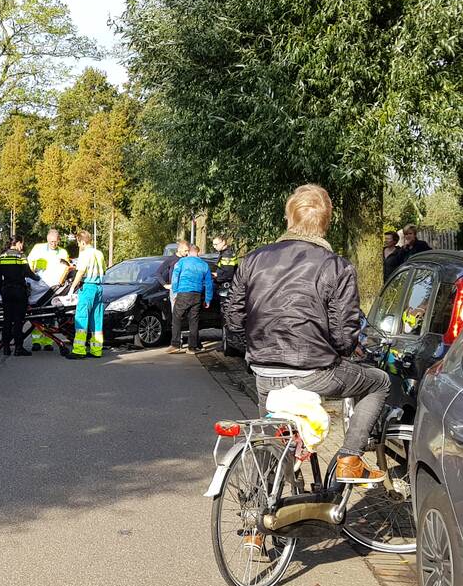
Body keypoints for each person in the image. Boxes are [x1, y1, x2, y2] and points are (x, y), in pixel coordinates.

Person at [225, 184, 390, 483]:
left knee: (269, 436)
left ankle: (256, 521)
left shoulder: (252, 260)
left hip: (264, 370)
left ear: (289, 218)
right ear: (325, 224)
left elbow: (233, 318)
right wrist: (341, 354)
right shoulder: (336, 266)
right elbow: (343, 333)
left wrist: (252, 351)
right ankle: (350, 458)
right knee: (379, 383)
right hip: (312, 371)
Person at [0, 235, 39, 357]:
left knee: (7, 320)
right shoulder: (21, 256)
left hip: (6, 291)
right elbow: (28, 272)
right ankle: (18, 348)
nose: (22, 246)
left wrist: (1, 291)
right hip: (19, 291)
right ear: (18, 243)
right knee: (18, 321)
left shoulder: (2, 256)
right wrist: (38, 278)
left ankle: (6, 348)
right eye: (22, 243)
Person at [28, 229, 71, 350]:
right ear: (47, 239)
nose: (53, 244)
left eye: (56, 242)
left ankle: (48, 342)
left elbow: (66, 268)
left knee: (50, 315)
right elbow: (30, 264)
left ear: (59, 240)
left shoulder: (62, 252)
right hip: (38, 286)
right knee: (36, 315)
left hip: (54, 289)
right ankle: (36, 341)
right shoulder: (38, 248)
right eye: (51, 241)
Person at [167, 244, 213, 354]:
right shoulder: (204, 265)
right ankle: (192, 347)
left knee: (177, 317)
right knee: (194, 320)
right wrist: (208, 299)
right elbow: (209, 283)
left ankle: (175, 344)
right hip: (197, 294)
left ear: (188, 252)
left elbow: (175, 276)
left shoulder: (182, 262)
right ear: (199, 252)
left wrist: (175, 291)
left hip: (183, 292)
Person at [68, 230, 106, 359]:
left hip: (88, 287)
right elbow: (103, 271)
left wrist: (72, 288)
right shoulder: (99, 253)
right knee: (97, 319)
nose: (79, 246)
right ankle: (96, 350)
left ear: (82, 241)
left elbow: (80, 272)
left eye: (79, 243)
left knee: (82, 318)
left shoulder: (85, 254)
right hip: (99, 288)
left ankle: (79, 350)